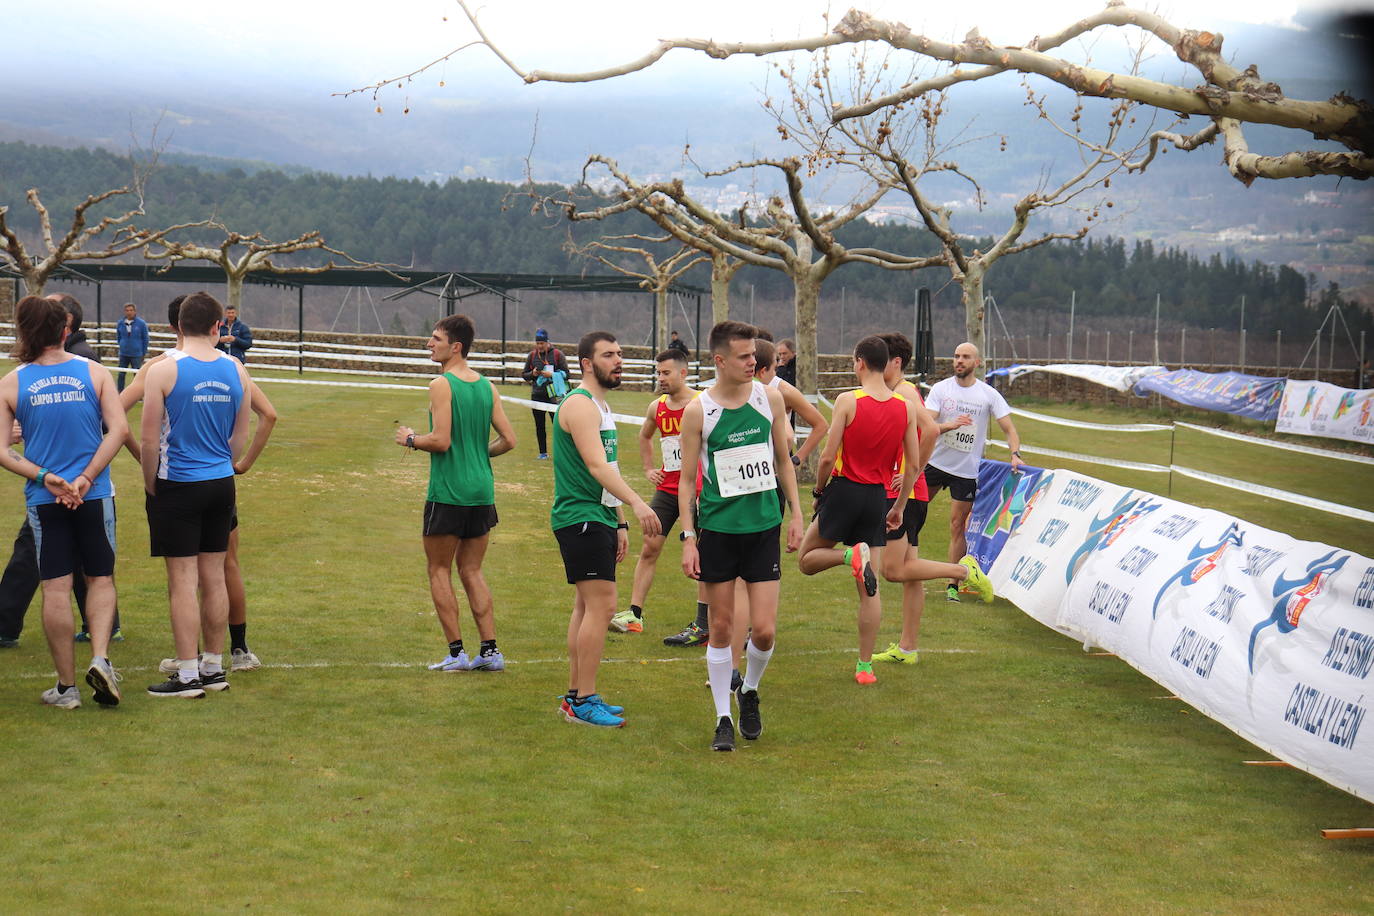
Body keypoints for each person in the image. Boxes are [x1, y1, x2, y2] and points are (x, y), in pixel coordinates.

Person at [130, 295, 277, 675]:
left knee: (182, 580)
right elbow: (240, 436)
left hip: (178, 482)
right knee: (214, 575)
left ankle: (187, 671)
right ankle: (214, 665)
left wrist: (151, 485)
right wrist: (224, 464)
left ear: (179, 325)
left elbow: (148, 442)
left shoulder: (162, 369)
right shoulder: (236, 370)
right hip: (221, 482)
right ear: (217, 327)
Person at [679, 320, 803, 751]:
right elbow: (686, 481)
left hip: (763, 528)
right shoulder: (698, 410)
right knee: (721, 628)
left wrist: (797, 516)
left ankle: (749, 688)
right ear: (720, 361)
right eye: (745, 356)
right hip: (717, 530)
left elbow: (783, 462)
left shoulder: (769, 397)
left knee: (764, 631)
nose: (755, 362)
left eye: (755, 355)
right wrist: (689, 537)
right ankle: (723, 718)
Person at [0, 296, 126, 708]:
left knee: (55, 587)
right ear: (65, 331)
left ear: (24, 333)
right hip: (94, 495)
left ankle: (67, 688)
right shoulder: (95, 372)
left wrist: (46, 478)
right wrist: (86, 479)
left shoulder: (12, 382)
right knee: (100, 579)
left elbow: (3, 450)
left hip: (45, 498)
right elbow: (119, 431)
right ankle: (101, 659)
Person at [797, 336, 923, 686]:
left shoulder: (848, 400)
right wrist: (897, 507)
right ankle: (865, 667)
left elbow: (826, 456)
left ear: (860, 362)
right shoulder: (906, 406)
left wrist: (820, 491)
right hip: (877, 500)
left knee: (806, 560)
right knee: (871, 589)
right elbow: (912, 466)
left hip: (845, 490)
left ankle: (848, 555)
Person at [396, 314, 517, 672]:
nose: (429, 344)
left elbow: (441, 440)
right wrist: (479, 455)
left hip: (448, 492)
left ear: (456, 346)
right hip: (481, 491)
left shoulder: (441, 383)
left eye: (436, 338)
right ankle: (491, 652)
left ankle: (456, 654)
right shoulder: (486, 386)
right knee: (472, 571)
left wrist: (411, 439)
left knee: (438, 570)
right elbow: (509, 440)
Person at [551, 331, 661, 727]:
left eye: (620, 353)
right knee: (602, 607)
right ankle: (584, 701)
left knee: (586, 607)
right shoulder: (580, 406)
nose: (619, 361)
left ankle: (574, 695)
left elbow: (606, 470)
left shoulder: (600, 405)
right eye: (609, 355)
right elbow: (597, 467)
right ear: (586, 363)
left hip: (597, 517)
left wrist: (619, 521)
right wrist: (636, 500)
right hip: (579, 517)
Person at [871, 333, 992, 666]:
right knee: (910, 572)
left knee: (894, 571)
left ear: (893, 362)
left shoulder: (906, 392)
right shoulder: (897, 391)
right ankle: (907, 648)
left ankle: (964, 571)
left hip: (907, 493)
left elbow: (932, 429)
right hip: (909, 490)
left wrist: (911, 474)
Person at [925, 342, 1024, 602]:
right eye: (956, 356)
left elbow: (1010, 430)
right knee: (911, 512)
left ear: (977, 363)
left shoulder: (988, 395)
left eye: (966, 357)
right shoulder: (941, 389)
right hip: (935, 463)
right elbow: (926, 424)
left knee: (958, 526)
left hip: (966, 471)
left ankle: (952, 585)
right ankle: (900, 565)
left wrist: (1014, 454)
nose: (959, 361)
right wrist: (950, 425)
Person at [615, 348, 702, 637]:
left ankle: (705, 620)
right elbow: (644, 435)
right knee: (651, 545)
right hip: (667, 488)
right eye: (658, 372)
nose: (661, 378)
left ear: (683, 373)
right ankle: (634, 614)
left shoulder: (703, 404)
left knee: (706, 552)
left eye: (666, 372)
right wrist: (648, 468)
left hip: (700, 490)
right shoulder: (657, 407)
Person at [521, 328, 568, 460]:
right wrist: (533, 374)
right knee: (539, 426)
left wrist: (552, 375)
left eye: (542, 343)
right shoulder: (532, 356)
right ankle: (543, 453)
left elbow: (567, 374)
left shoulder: (558, 355)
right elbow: (524, 375)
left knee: (558, 426)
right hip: (537, 395)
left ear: (548, 342)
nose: (540, 346)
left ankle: (561, 452)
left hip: (555, 396)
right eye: (538, 343)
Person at [115, 302, 149, 393]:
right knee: (121, 374)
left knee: (137, 375)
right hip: (123, 353)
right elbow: (118, 337)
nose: (129, 312)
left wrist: (143, 352)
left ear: (135, 311)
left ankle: (138, 394)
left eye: (131, 310)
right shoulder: (120, 323)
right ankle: (120, 392)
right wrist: (122, 345)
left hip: (136, 354)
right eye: (127, 310)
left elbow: (145, 339)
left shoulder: (141, 324)